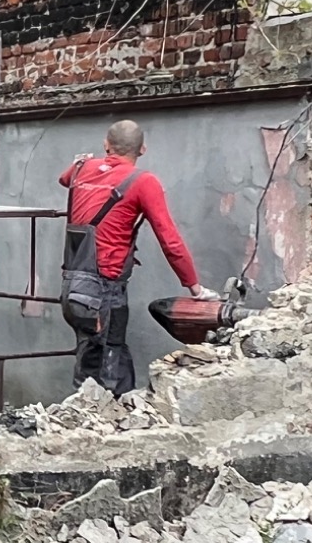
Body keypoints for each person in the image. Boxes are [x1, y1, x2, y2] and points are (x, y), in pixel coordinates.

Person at [58, 119, 215, 395]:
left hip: (73, 286)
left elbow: (64, 178)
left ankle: (87, 420)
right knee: (107, 366)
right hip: (106, 289)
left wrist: (86, 161)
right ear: (143, 149)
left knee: (93, 356)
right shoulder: (143, 182)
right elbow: (170, 240)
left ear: (106, 145)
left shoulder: (81, 169)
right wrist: (195, 288)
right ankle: (99, 427)